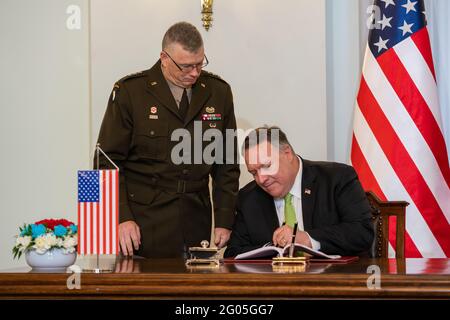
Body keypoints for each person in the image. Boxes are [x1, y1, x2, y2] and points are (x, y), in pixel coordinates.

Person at [97, 22, 239, 258]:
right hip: (143, 225)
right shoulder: (131, 93)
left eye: (199, 64)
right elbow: (106, 162)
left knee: (196, 294)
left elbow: (227, 163)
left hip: (196, 221)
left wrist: (224, 219)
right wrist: (121, 218)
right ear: (164, 57)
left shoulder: (218, 92)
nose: (194, 73)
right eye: (185, 66)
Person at [224, 126, 374, 258]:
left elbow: (362, 232)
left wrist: (307, 239)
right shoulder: (249, 197)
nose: (261, 179)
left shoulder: (336, 178)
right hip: (275, 286)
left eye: (267, 166)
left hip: (335, 283)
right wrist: (271, 249)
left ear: (287, 154)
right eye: (253, 173)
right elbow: (234, 252)